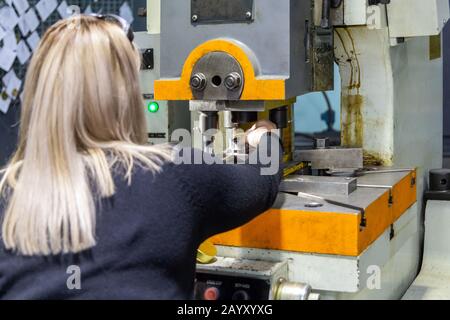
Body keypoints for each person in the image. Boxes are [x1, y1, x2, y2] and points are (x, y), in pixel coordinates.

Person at [0, 15, 282, 299]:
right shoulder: (171, 174)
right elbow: (261, 182)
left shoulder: (7, 193)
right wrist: (265, 138)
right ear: (124, 95)